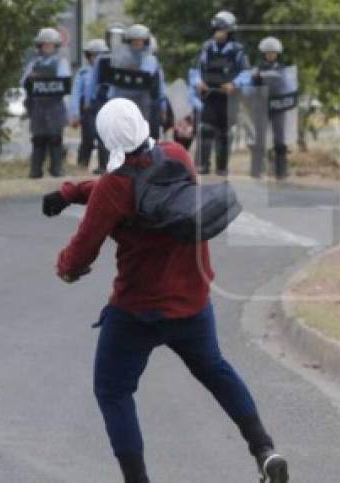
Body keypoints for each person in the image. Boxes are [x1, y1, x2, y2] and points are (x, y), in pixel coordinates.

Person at [42, 98, 289, 483]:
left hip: (137, 311)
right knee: (215, 369)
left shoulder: (112, 188)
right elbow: (129, 182)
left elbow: (82, 249)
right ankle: (264, 449)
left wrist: (66, 269)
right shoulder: (177, 157)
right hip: (192, 302)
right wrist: (72, 192)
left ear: (107, 141)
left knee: (112, 390)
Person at [191, 11, 251, 176]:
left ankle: (222, 167)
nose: (219, 33)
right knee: (206, 130)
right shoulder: (206, 48)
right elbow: (195, 70)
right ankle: (202, 165)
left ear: (230, 32)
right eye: (216, 29)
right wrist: (197, 82)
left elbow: (246, 74)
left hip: (228, 97)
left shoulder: (238, 51)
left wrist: (234, 84)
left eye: (222, 29)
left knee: (224, 133)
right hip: (209, 95)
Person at [22, 28, 72, 178]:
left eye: (51, 45)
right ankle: (35, 170)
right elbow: (24, 81)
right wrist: (31, 78)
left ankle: (56, 168)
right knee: (38, 138)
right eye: (45, 45)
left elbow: (65, 82)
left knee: (55, 137)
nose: (48, 48)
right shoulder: (34, 63)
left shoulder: (61, 62)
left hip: (55, 105)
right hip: (38, 105)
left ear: (56, 46)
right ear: (40, 46)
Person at [107, 24, 168, 140]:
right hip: (124, 100)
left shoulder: (150, 59)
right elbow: (115, 83)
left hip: (143, 100)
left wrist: (163, 107)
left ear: (146, 42)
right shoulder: (121, 59)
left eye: (140, 41)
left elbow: (159, 85)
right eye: (134, 41)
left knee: (142, 132)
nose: (137, 44)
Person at [248, 36, 295, 180]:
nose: (271, 55)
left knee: (280, 140)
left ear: (277, 54)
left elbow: (289, 88)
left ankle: (281, 173)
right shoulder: (256, 71)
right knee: (259, 139)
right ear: (264, 53)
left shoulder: (283, 70)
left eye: (273, 52)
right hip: (261, 107)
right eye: (268, 52)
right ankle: (256, 171)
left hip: (278, 106)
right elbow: (249, 88)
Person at [88, 24, 125, 173]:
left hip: (124, 98)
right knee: (103, 131)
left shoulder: (130, 59)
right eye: (112, 38)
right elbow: (94, 81)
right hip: (103, 97)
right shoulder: (102, 60)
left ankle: (122, 165)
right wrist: (91, 99)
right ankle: (104, 165)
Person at [70, 39, 110, 170]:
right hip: (88, 109)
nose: (97, 58)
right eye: (94, 55)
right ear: (88, 56)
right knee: (87, 137)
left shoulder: (109, 72)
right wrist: (75, 114)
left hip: (105, 106)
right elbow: (75, 94)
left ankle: (104, 167)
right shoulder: (83, 73)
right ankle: (82, 166)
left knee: (104, 138)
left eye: (100, 55)